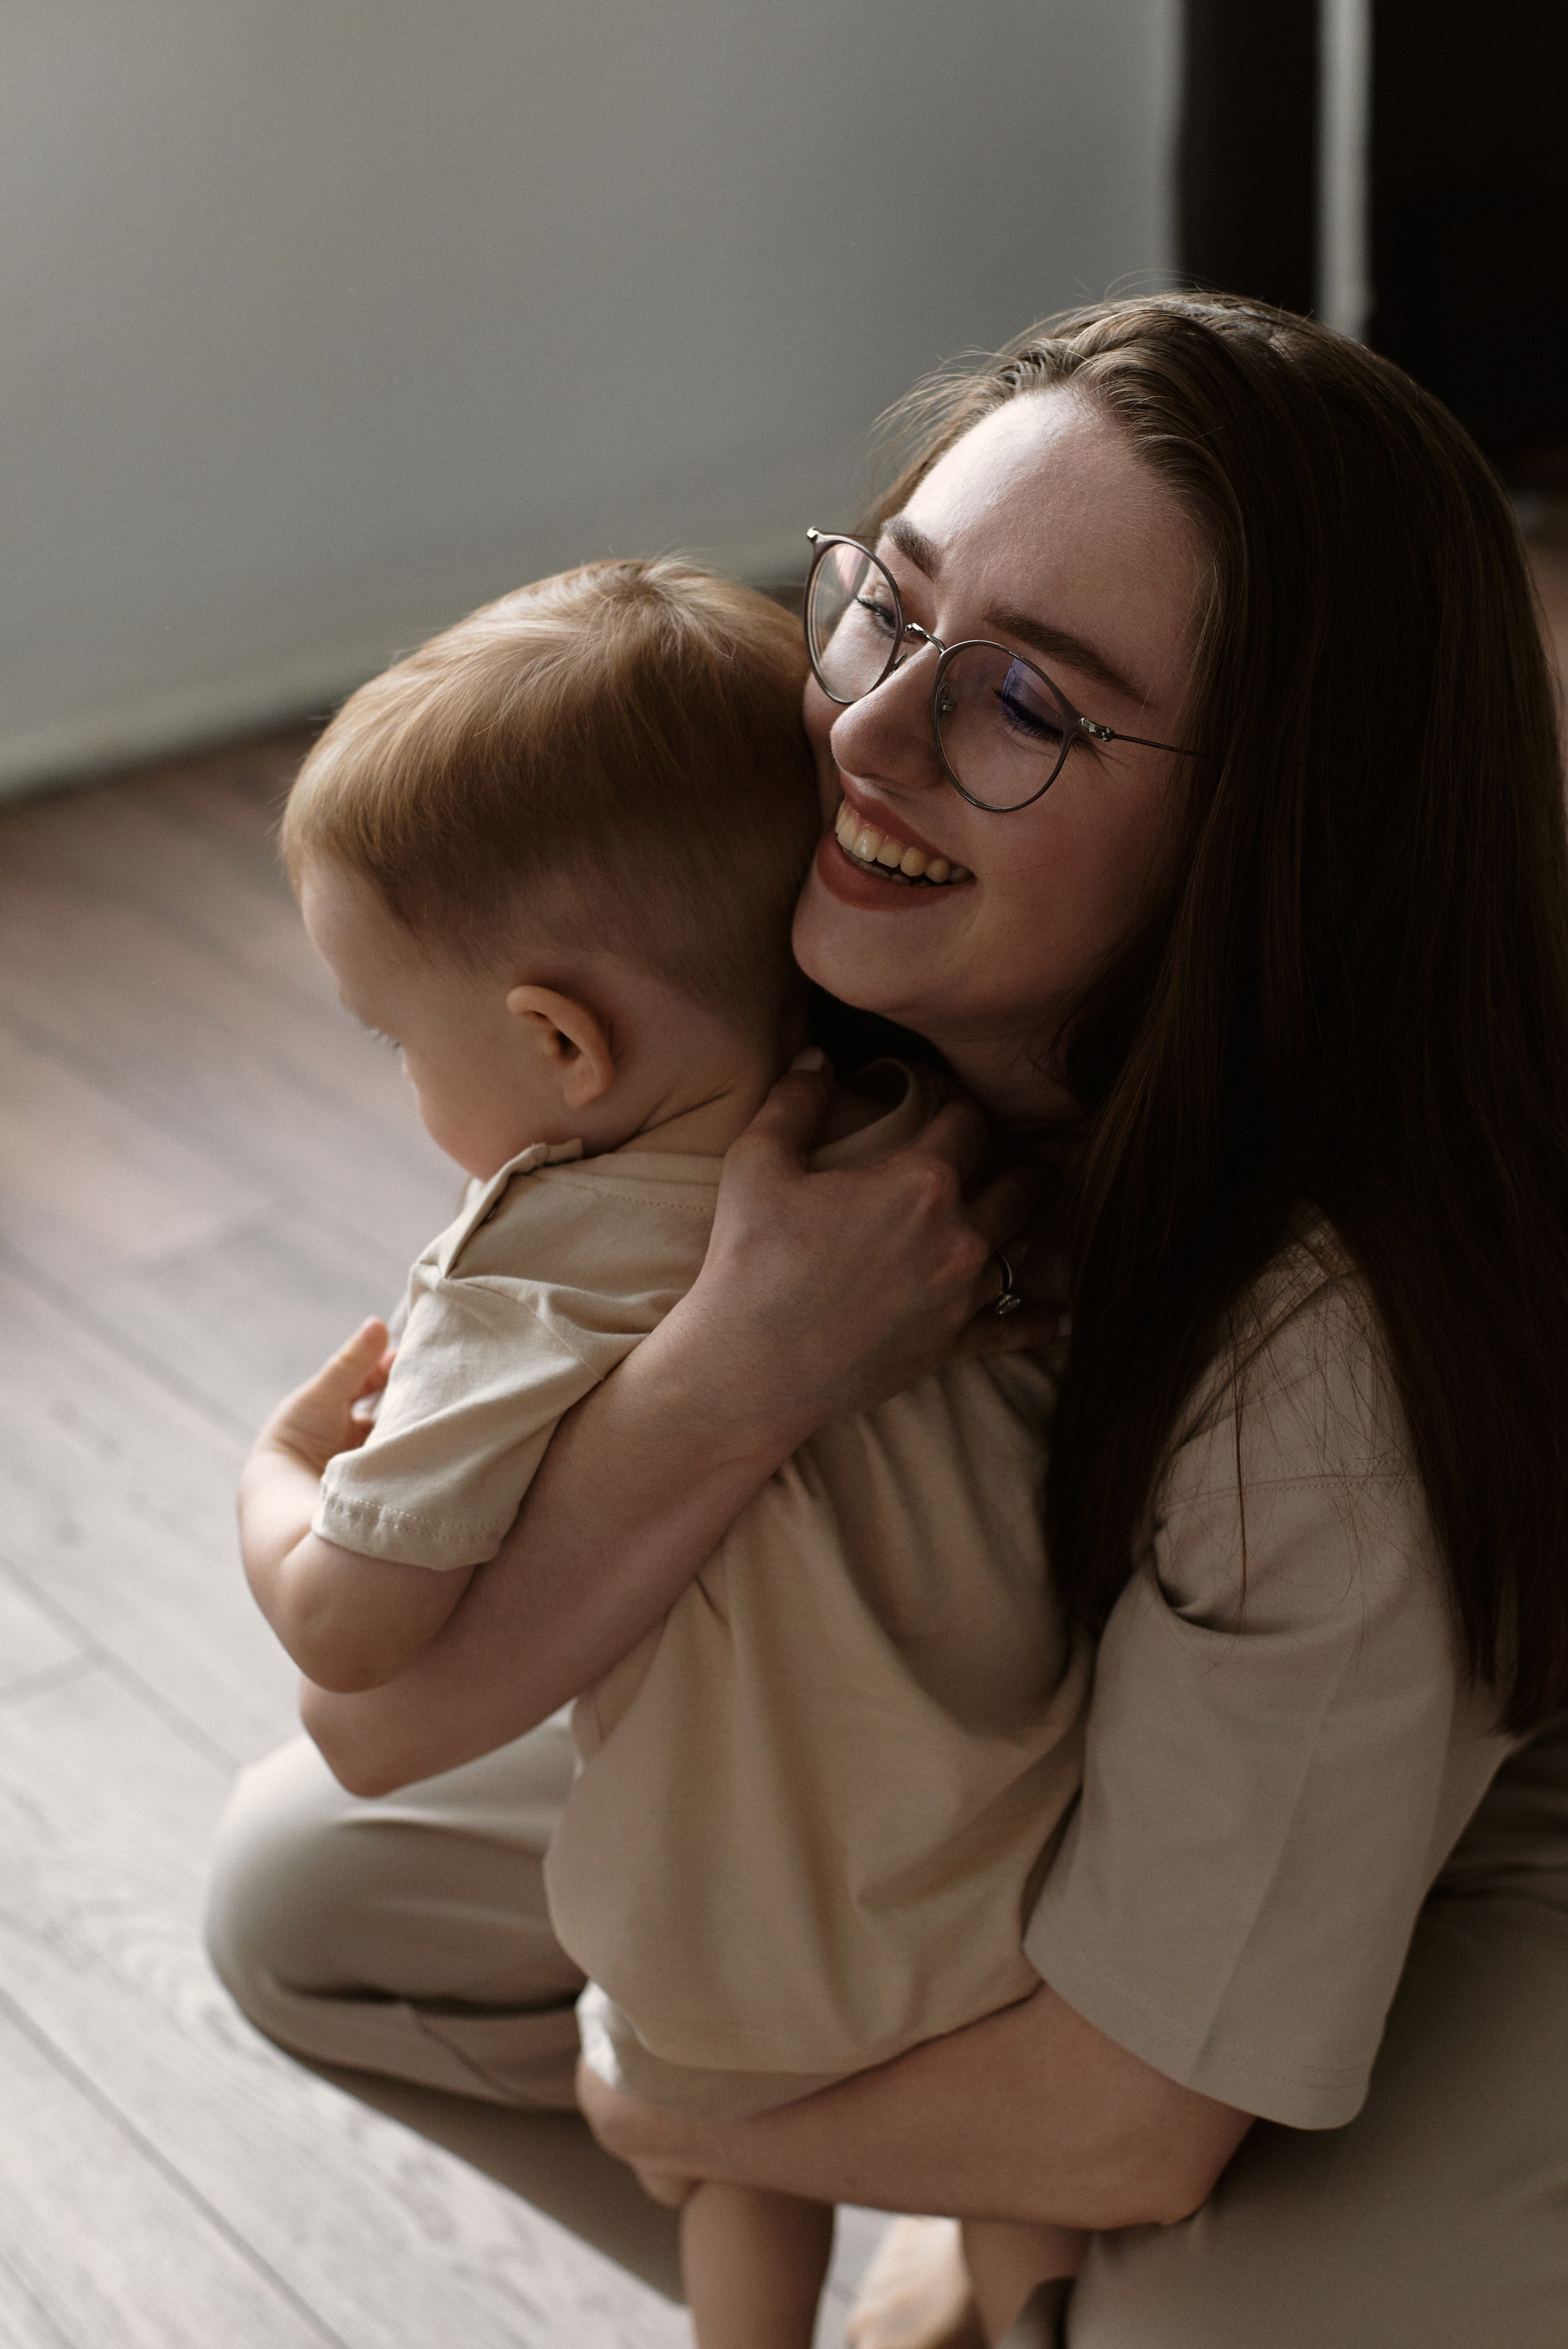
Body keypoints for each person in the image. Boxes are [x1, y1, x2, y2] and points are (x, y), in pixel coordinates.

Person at [206, 295, 1568, 2348]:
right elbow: (378, 1718)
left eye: (1028, 699)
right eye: (883, 604)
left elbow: (1134, 2128)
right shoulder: (797, 969)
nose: (862, 732)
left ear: (1271, 826)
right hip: (994, 1699)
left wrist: (684, 2100)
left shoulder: (1329, 1355)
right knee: (319, 1904)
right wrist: (736, 1374)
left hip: (1451, 1807)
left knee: (1188, 2305)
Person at [236, 553, 1095, 2348]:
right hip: (1032, 1855)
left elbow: (353, 1639)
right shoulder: (929, 1140)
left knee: (739, 2185)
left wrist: (278, 1478)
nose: (408, 1084)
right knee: (1038, 2236)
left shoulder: (532, 1263)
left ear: (558, 1036)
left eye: (400, 1036)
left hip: (730, 1903)